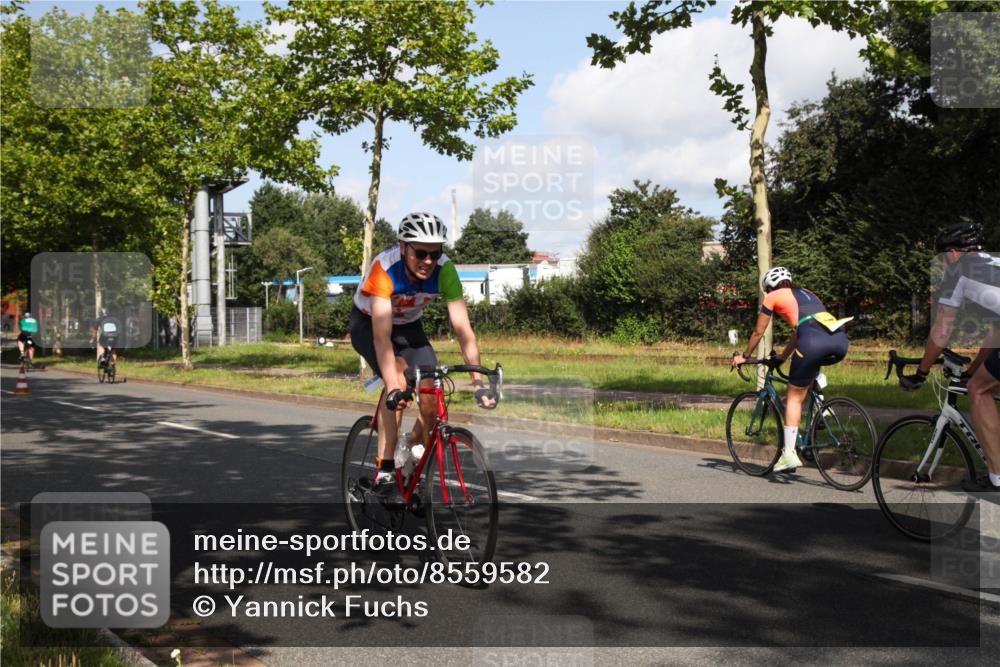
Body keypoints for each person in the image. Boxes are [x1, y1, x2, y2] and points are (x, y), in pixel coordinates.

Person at [349, 212, 495, 503]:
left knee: (431, 390)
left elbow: (463, 329)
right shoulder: (384, 268)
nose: (428, 261)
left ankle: (412, 455)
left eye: (435, 253)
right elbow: (381, 337)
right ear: (403, 247)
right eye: (420, 253)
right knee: (400, 378)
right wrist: (392, 383)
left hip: (410, 327)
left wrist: (478, 381)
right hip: (369, 324)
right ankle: (385, 471)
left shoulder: (446, 270)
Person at [900, 222, 1000, 493]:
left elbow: (943, 329)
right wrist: (975, 368)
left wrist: (921, 373)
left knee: (978, 390)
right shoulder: (995, 261)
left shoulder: (958, 272)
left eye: (942, 257)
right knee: (982, 380)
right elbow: (995, 334)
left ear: (954, 253)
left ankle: (997, 479)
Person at [732, 267, 851, 472]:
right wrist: (783, 357)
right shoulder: (808, 293)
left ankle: (788, 454)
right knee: (807, 379)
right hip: (839, 340)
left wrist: (745, 356)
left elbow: (759, 331)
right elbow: (801, 330)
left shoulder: (772, 296)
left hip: (813, 342)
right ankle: (820, 409)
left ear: (769, 287)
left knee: (793, 398)